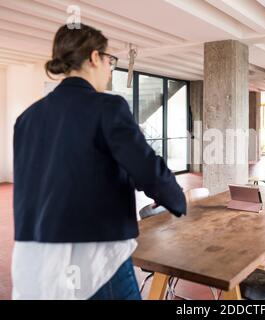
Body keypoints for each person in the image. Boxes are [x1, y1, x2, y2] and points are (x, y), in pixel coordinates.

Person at [12, 24, 186, 300]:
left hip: (34, 258)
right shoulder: (108, 106)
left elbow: (73, 169)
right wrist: (175, 198)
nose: (110, 68)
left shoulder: (27, 118)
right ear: (94, 57)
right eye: (110, 60)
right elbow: (146, 167)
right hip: (95, 257)